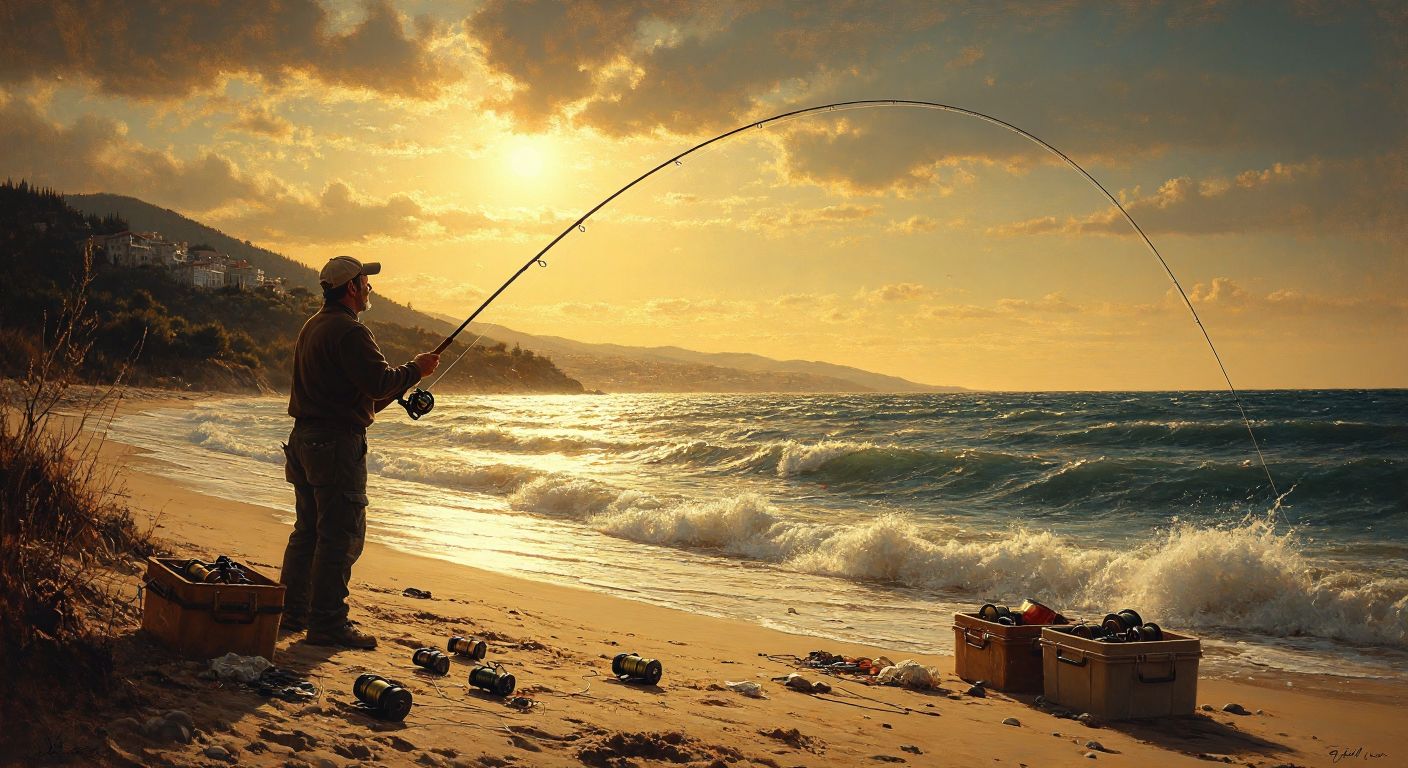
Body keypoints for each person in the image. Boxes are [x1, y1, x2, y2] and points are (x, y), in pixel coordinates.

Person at [279, 255, 439, 649]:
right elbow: (379, 379)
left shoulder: (312, 327)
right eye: (366, 282)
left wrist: (392, 388)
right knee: (340, 537)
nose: (370, 287)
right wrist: (416, 369)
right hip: (334, 447)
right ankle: (328, 624)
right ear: (351, 287)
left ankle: (291, 613)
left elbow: (359, 393)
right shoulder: (349, 331)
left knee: (309, 533)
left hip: (304, 440)